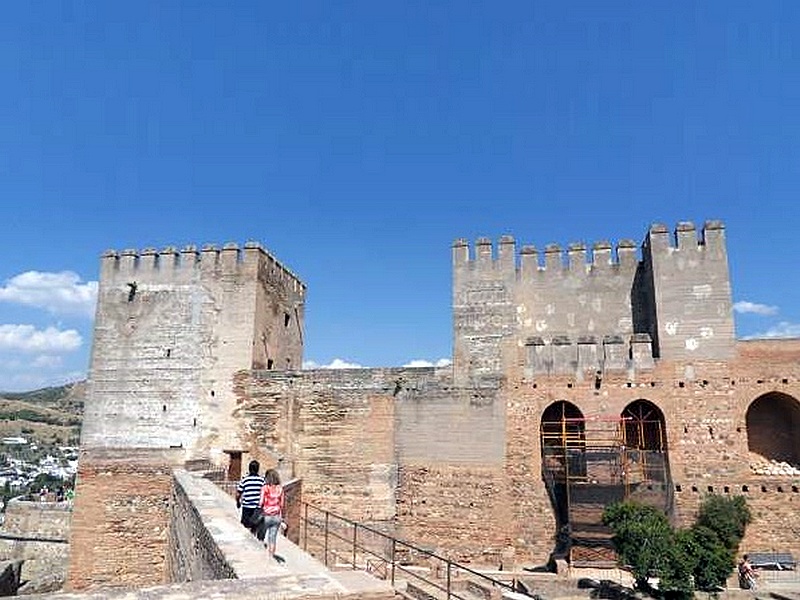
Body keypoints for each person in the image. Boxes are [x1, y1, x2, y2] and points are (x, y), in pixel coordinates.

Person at [259, 468, 285, 561]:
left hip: (266, 516)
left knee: (260, 536)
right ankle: (271, 558)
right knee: (272, 539)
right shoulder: (280, 489)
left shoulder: (265, 488)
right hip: (276, 516)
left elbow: (261, 502)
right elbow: (282, 505)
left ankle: (260, 556)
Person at [236, 460, 265, 538]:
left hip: (247, 507)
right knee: (255, 525)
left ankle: (247, 539)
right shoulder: (262, 480)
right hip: (257, 508)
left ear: (249, 469)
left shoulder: (245, 479)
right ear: (258, 469)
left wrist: (238, 502)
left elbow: (239, 493)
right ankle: (253, 538)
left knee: (245, 525)